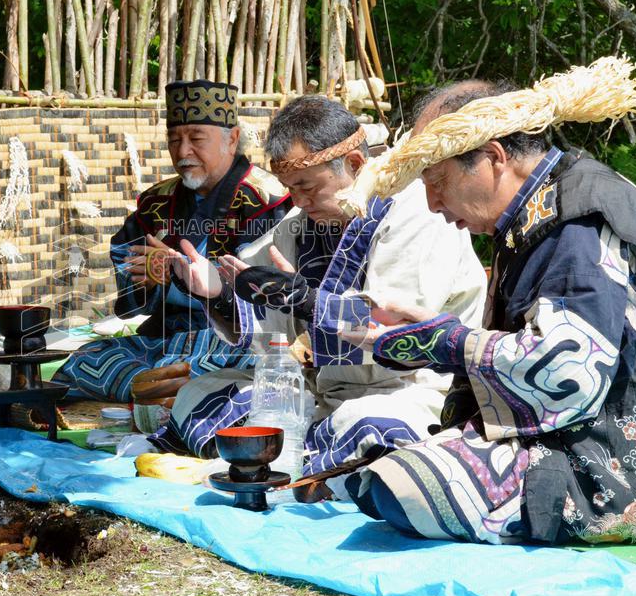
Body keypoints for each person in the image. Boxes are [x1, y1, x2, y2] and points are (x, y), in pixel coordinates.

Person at [340, 80, 636, 544]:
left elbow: (570, 373)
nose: (432, 204)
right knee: (375, 462)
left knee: (402, 488)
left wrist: (442, 342)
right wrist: (432, 334)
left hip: (626, 471)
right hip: (583, 434)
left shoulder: (578, 220)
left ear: (493, 157)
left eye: (438, 182)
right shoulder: (547, 204)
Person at [152, 95, 486, 496]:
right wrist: (214, 290)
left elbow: (393, 329)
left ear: (355, 165)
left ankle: (295, 466)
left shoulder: (417, 212)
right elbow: (257, 302)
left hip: (411, 390)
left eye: (307, 187)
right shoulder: (301, 223)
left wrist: (305, 301)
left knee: (367, 425)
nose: (298, 202)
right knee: (199, 394)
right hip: (322, 393)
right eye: (290, 189)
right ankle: (315, 465)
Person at [54, 80, 291, 402]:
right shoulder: (157, 201)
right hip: (169, 336)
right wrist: (149, 277)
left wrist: (182, 278)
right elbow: (126, 259)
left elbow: (267, 290)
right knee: (88, 359)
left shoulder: (267, 200)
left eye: (196, 139)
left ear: (232, 139)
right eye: (174, 139)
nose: (182, 152)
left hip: (234, 337)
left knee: (247, 364)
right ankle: (169, 388)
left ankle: (164, 387)